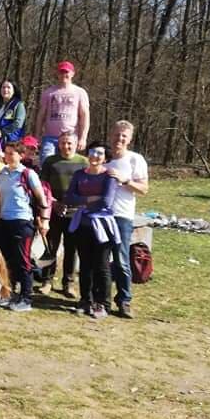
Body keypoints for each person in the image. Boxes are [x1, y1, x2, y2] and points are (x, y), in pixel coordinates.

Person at [0, 141, 50, 312]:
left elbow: (41, 198)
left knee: (23, 260)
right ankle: (9, 293)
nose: (8, 156)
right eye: (6, 153)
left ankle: (26, 298)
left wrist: (44, 220)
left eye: (12, 153)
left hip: (22, 221)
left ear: (21, 155)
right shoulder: (2, 173)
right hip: (4, 220)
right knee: (6, 259)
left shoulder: (28, 174)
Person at [64, 142, 120, 319]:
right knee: (85, 265)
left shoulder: (109, 176)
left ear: (106, 158)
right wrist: (90, 198)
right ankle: (85, 300)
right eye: (92, 152)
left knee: (101, 265)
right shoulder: (79, 174)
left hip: (102, 227)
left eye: (99, 153)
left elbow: (106, 201)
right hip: (82, 225)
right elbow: (69, 198)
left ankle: (103, 303)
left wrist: (82, 200)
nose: (95, 156)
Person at [104, 120, 149, 318]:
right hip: (101, 216)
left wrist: (126, 180)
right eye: (117, 134)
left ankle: (124, 300)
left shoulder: (135, 160)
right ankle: (102, 299)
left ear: (129, 139)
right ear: (110, 135)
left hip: (122, 216)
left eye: (124, 136)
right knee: (101, 260)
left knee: (121, 259)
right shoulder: (103, 159)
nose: (119, 138)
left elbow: (144, 189)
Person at [39, 131, 88, 297]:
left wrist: (78, 203)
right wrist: (53, 203)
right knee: (50, 247)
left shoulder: (83, 162)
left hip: (75, 213)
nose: (66, 146)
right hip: (54, 210)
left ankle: (68, 283)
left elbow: (87, 187)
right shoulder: (50, 161)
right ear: (58, 144)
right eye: (63, 143)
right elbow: (43, 187)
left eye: (69, 143)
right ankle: (47, 281)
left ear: (76, 144)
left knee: (71, 248)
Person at [35, 60, 90, 160]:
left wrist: (83, 138)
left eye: (66, 72)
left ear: (72, 73)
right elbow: (41, 115)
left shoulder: (80, 92)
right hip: (50, 137)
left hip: (70, 138)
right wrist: (37, 135)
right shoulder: (48, 92)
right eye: (61, 72)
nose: (64, 74)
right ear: (57, 74)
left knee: (68, 164)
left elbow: (84, 116)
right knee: (46, 161)